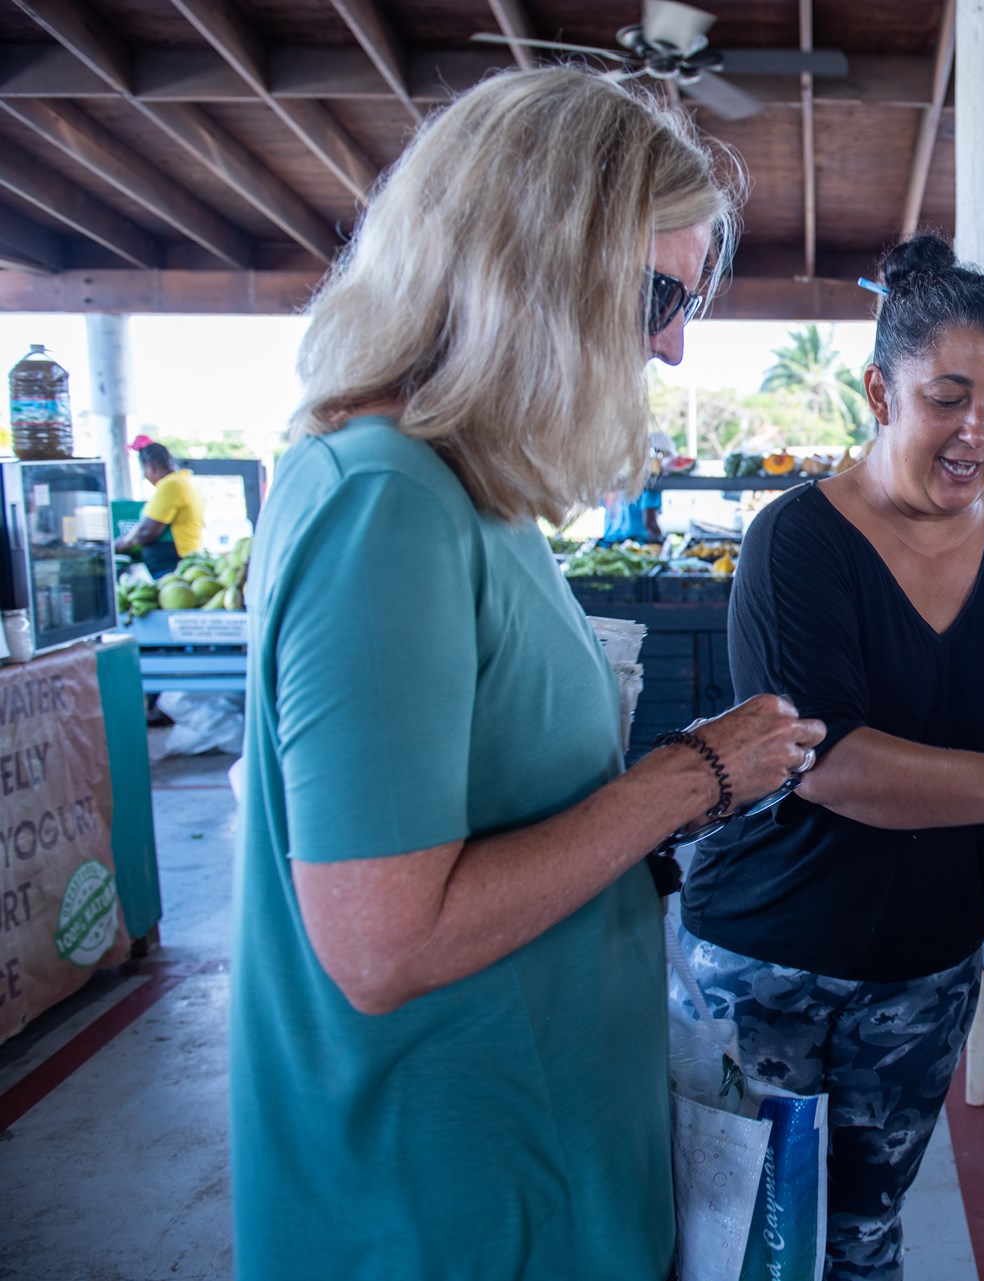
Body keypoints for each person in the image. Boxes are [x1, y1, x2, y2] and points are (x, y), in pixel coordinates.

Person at [228, 69, 824, 1281]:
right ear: (534, 266)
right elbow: (383, 942)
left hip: (536, 1163)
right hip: (444, 1205)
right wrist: (689, 779)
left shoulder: (461, 489)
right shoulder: (384, 502)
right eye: (663, 292)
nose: (667, 341)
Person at [676, 232, 984, 1280]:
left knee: (863, 1232)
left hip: (925, 972)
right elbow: (826, 759)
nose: (978, 430)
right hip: (771, 959)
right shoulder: (795, 543)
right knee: (749, 1243)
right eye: (948, 396)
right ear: (880, 394)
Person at [114, 437, 203, 576]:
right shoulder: (183, 482)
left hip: (174, 566)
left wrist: (123, 544)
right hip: (178, 563)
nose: (146, 476)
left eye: (144, 470)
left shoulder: (172, 485)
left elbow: (147, 532)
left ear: (149, 466)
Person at [603, 429, 675, 544]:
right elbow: (649, 522)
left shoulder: (623, 474)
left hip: (609, 540)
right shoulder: (652, 481)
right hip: (636, 543)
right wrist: (661, 542)